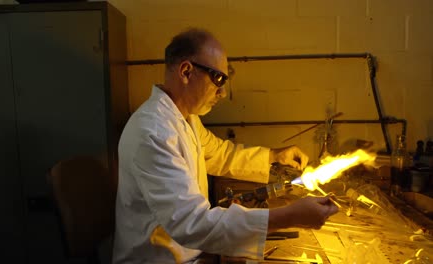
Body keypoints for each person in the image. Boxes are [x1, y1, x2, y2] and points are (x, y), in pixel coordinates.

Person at [112, 28, 339, 264]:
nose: (222, 93)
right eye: (217, 78)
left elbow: (220, 154)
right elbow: (192, 223)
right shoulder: (153, 131)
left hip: (186, 251)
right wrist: (290, 216)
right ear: (186, 71)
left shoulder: (184, 118)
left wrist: (273, 156)